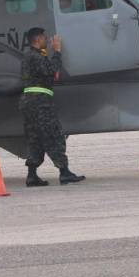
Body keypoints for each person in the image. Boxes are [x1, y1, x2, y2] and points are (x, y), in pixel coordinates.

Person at [19, 27, 85, 187]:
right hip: (41, 103)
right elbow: (51, 70)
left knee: (35, 138)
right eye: (43, 38)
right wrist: (57, 51)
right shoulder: (36, 56)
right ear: (36, 40)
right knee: (54, 135)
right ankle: (64, 172)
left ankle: (32, 176)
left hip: (30, 102)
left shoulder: (29, 56)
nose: (47, 40)